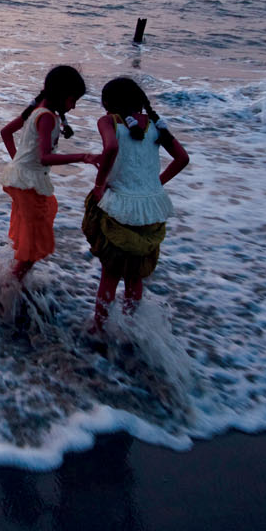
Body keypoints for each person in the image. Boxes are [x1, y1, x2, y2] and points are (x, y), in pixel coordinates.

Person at [81, 76, 189, 337]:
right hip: (151, 208)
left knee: (110, 275)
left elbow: (111, 147)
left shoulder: (109, 121)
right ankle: (131, 328)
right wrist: (155, 183)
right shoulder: (155, 125)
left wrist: (99, 184)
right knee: (134, 276)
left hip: (121, 207)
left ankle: (99, 328)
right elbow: (182, 158)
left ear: (107, 103)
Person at [0, 66, 100, 296]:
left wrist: (19, 164)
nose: (73, 107)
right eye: (73, 100)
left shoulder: (36, 110)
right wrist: (83, 157)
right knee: (34, 244)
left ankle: (11, 280)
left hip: (20, 179)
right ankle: (6, 289)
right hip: (27, 182)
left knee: (40, 220)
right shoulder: (47, 117)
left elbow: (5, 132)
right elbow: (45, 157)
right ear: (62, 95)